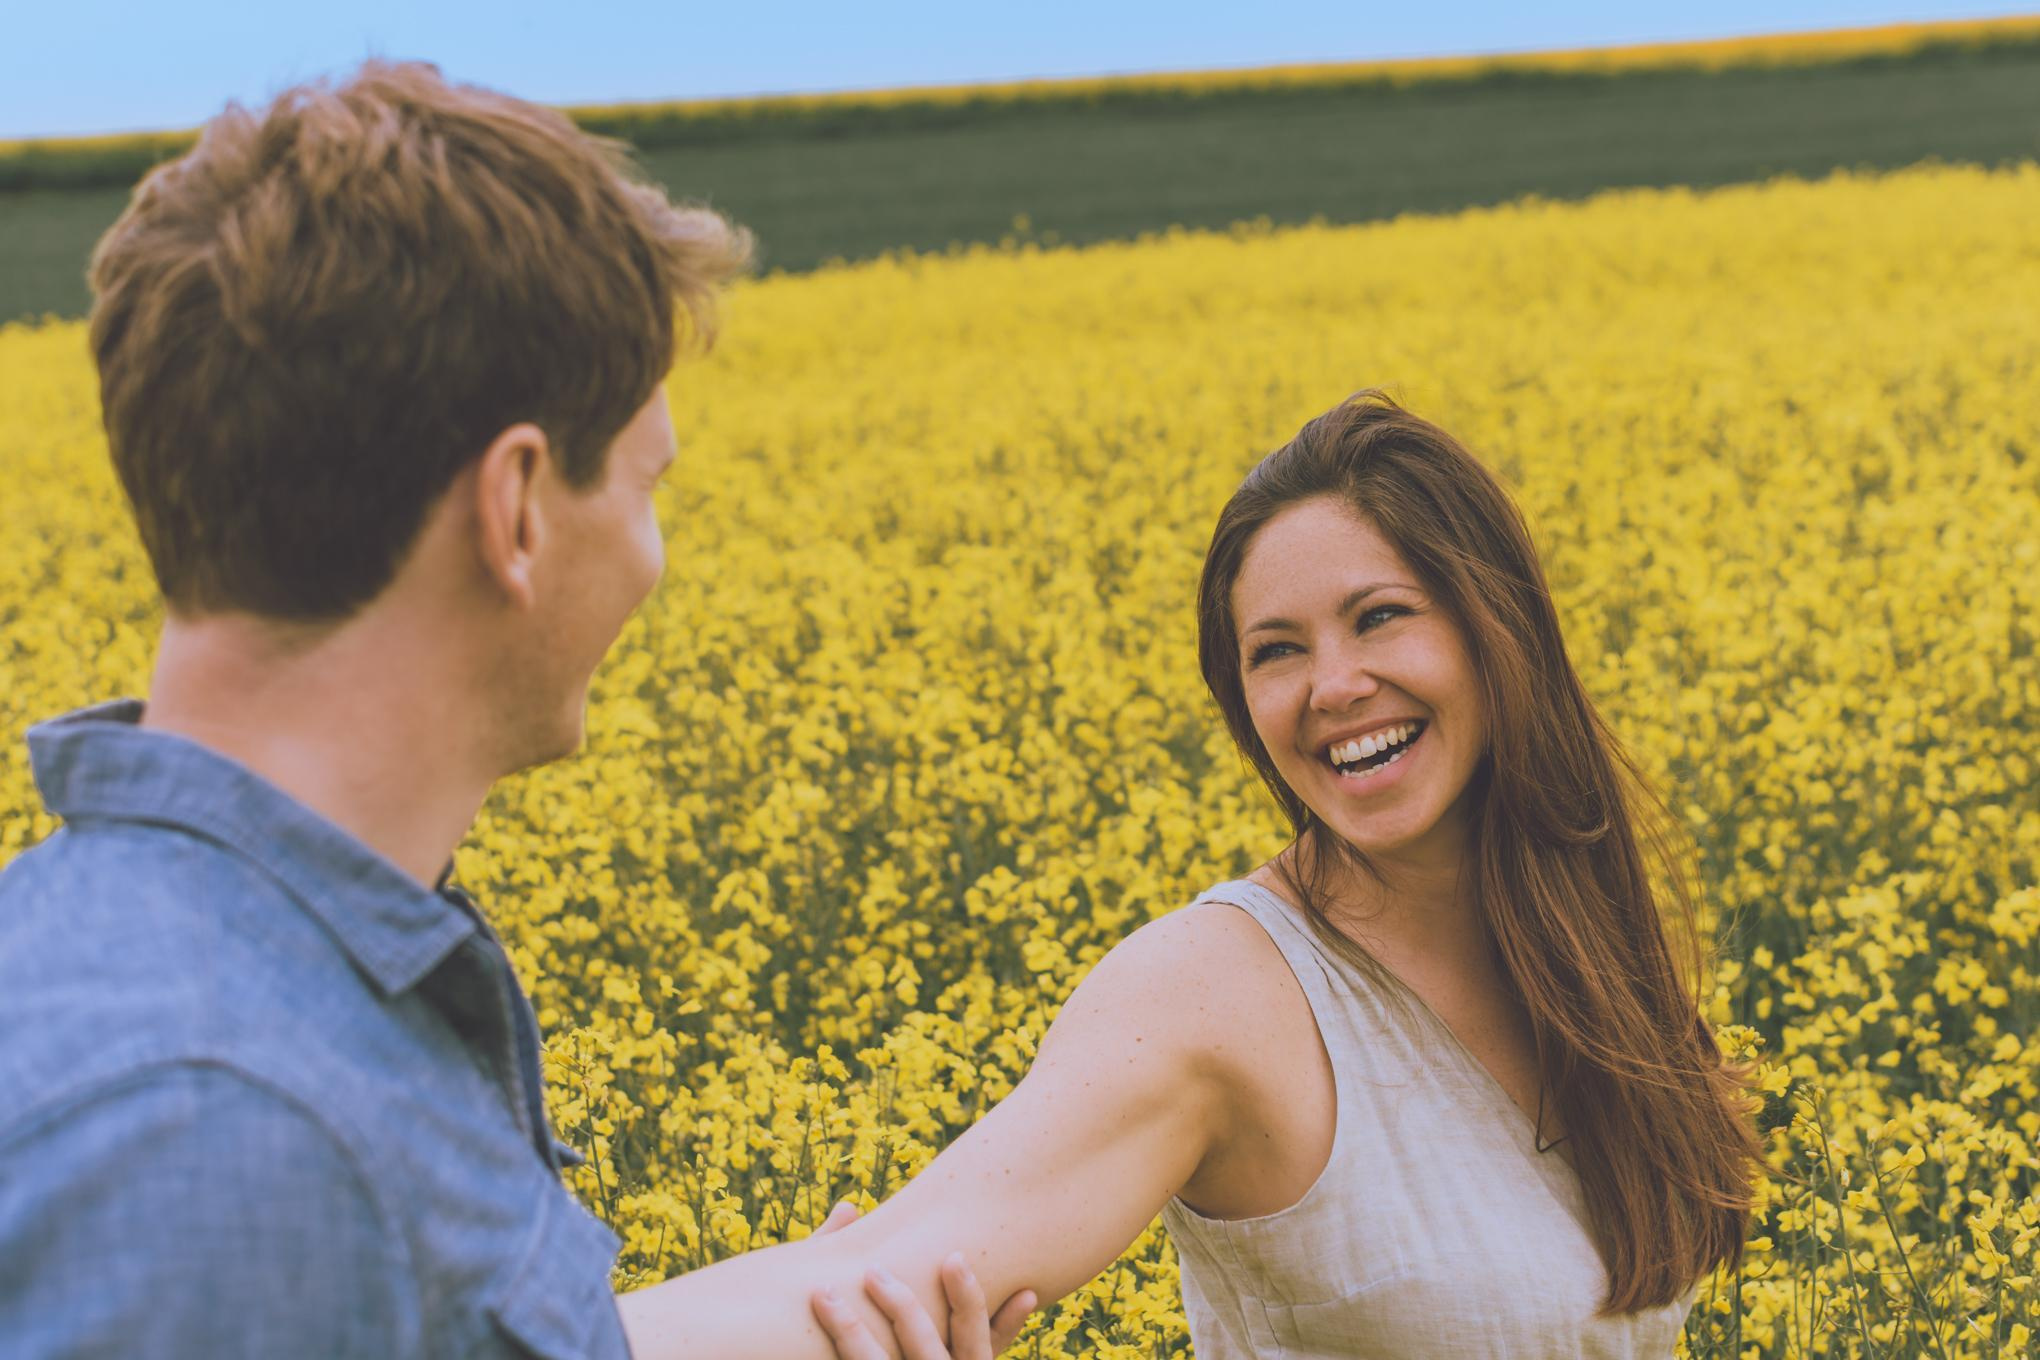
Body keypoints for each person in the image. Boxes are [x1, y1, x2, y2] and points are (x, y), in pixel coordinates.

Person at [0, 60, 1032, 1358]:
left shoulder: (184, 1003)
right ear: (520, 512)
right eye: (648, 485)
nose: (654, 552)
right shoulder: (226, 1146)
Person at [616, 390, 1768, 1358]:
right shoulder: (1220, 995)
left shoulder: (1585, 956)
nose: (1333, 686)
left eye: (1380, 618)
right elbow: (884, 1272)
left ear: (1495, 630)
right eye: (1277, 651)